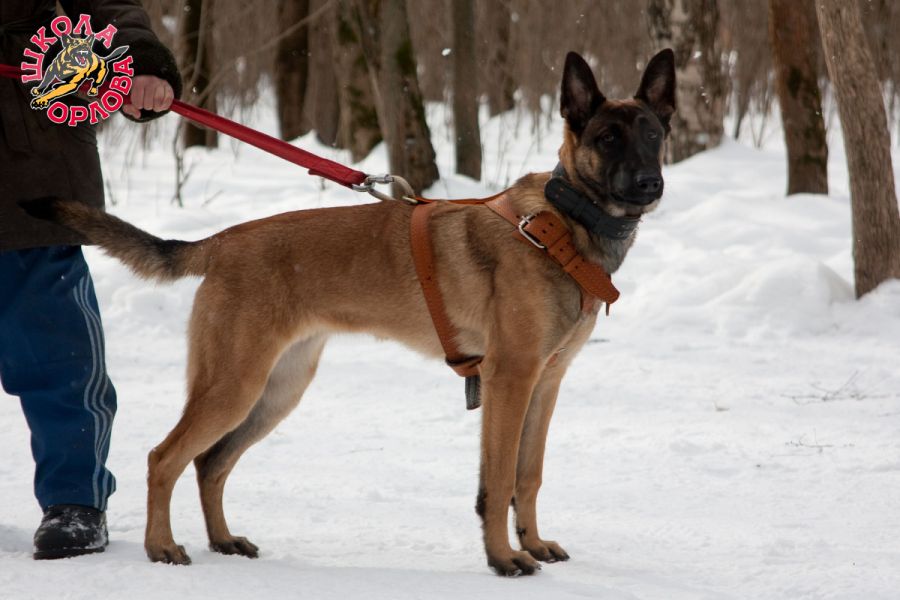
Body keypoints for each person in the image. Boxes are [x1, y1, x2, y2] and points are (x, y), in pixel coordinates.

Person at [0, 1, 182, 559]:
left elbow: (110, 5)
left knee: (56, 357)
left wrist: (140, 62)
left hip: (30, 161)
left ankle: (75, 500)